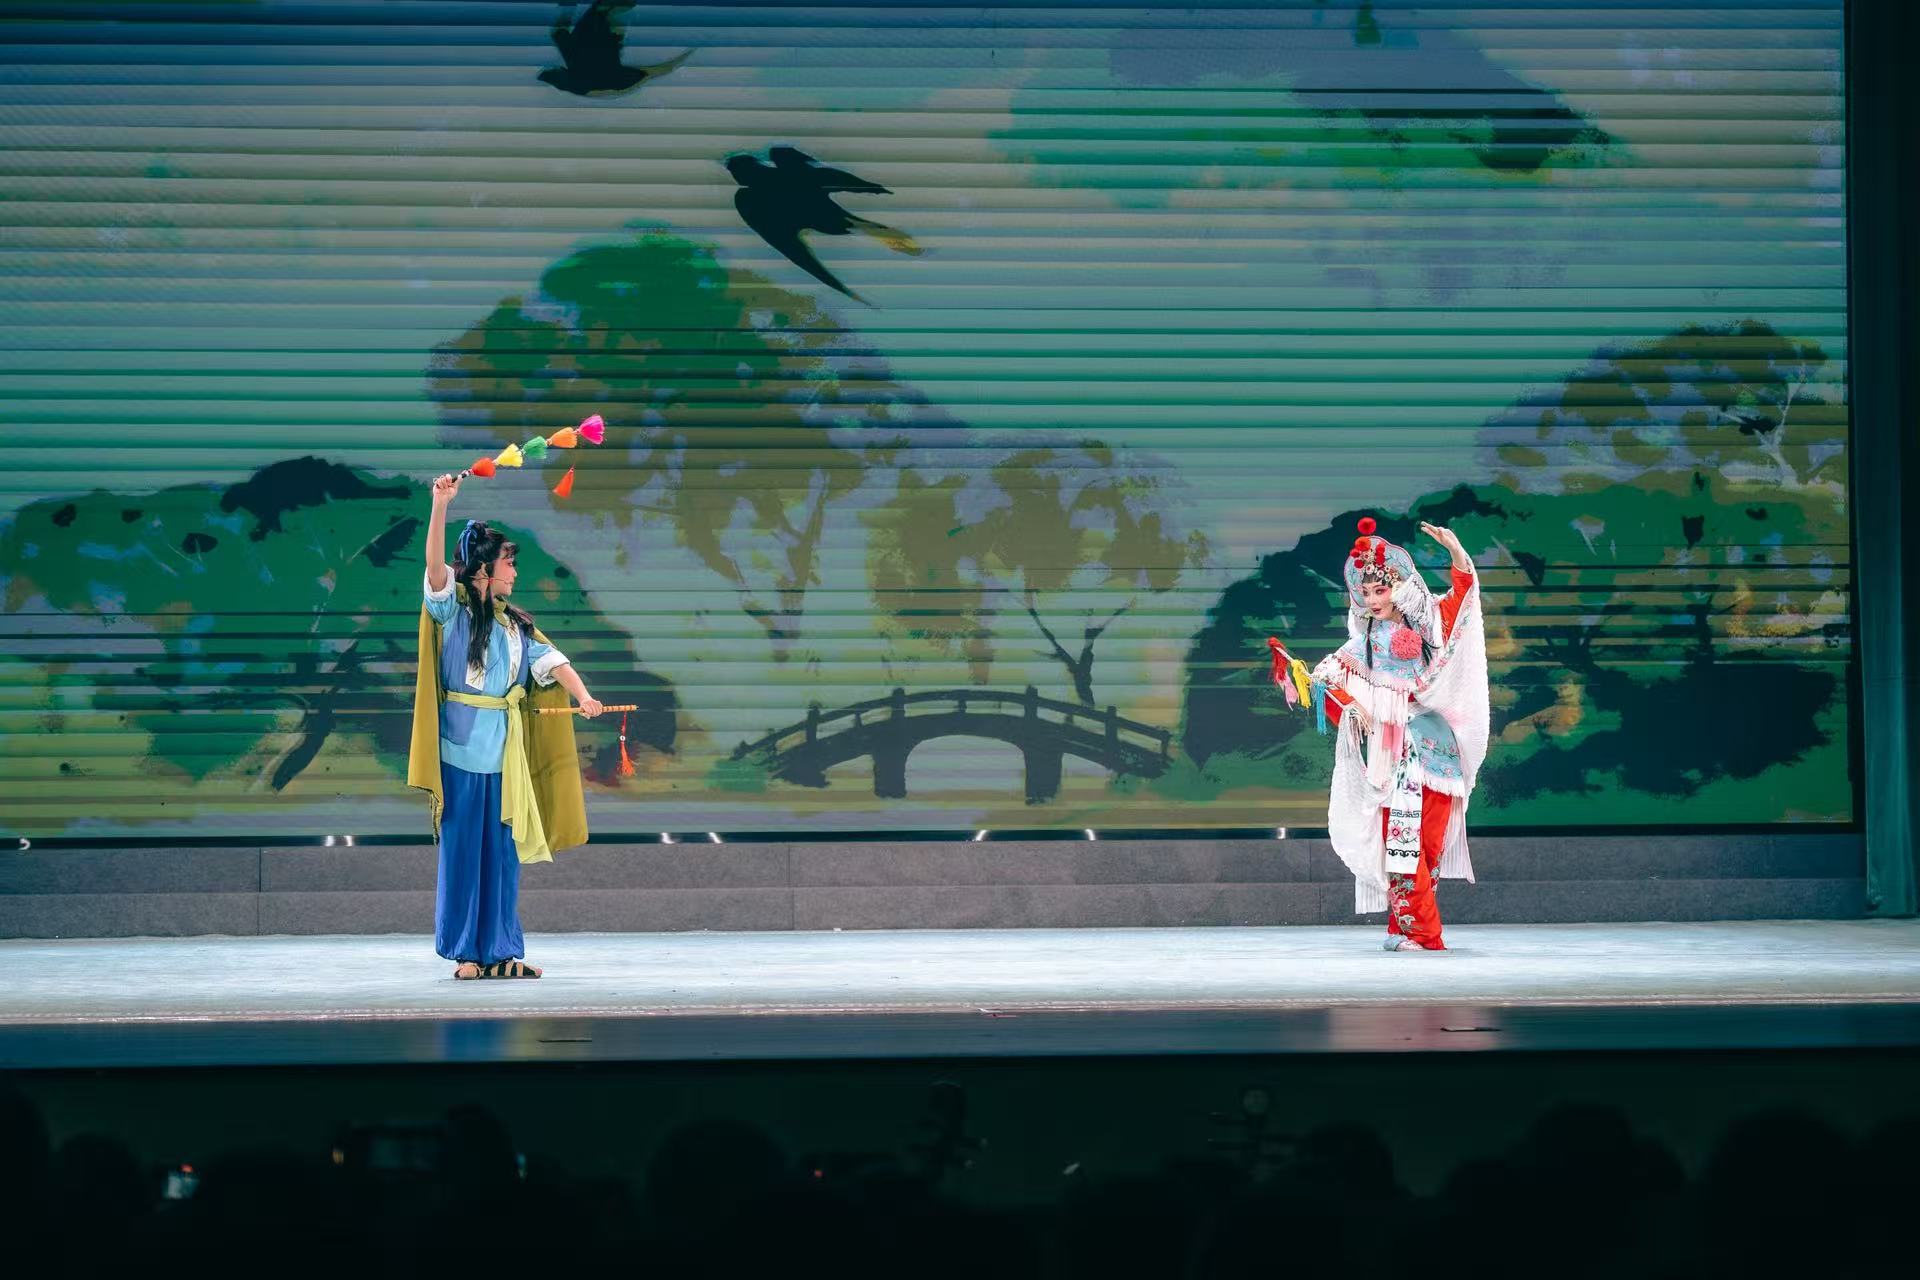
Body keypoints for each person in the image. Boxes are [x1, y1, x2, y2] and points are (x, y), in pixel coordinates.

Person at [406, 473, 601, 979]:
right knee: (463, 855)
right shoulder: (452, 612)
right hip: (460, 753)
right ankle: (466, 953)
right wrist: (440, 505)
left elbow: (552, 660)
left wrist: (584, 698)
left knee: (502, 857)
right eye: (508, 563)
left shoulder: (515, 624)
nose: (514, 572)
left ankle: (501, 951)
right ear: (483, 571)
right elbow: (434, 569)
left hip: (505, 757)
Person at [1306, 518, 1490, 951]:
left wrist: (1456, 551)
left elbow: (1463, 597)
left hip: (1438, 751)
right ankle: (1424, 934)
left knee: (1427, 847)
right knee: (1402, 845)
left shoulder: (1428, 629)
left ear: (1399, 588)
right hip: (1396, 754)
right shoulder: (1363, 644)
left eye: (1381, 590)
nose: (1373, 600)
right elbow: (1324, 679)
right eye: (1366, 592)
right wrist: (1355, 707)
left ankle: (1404, 928)